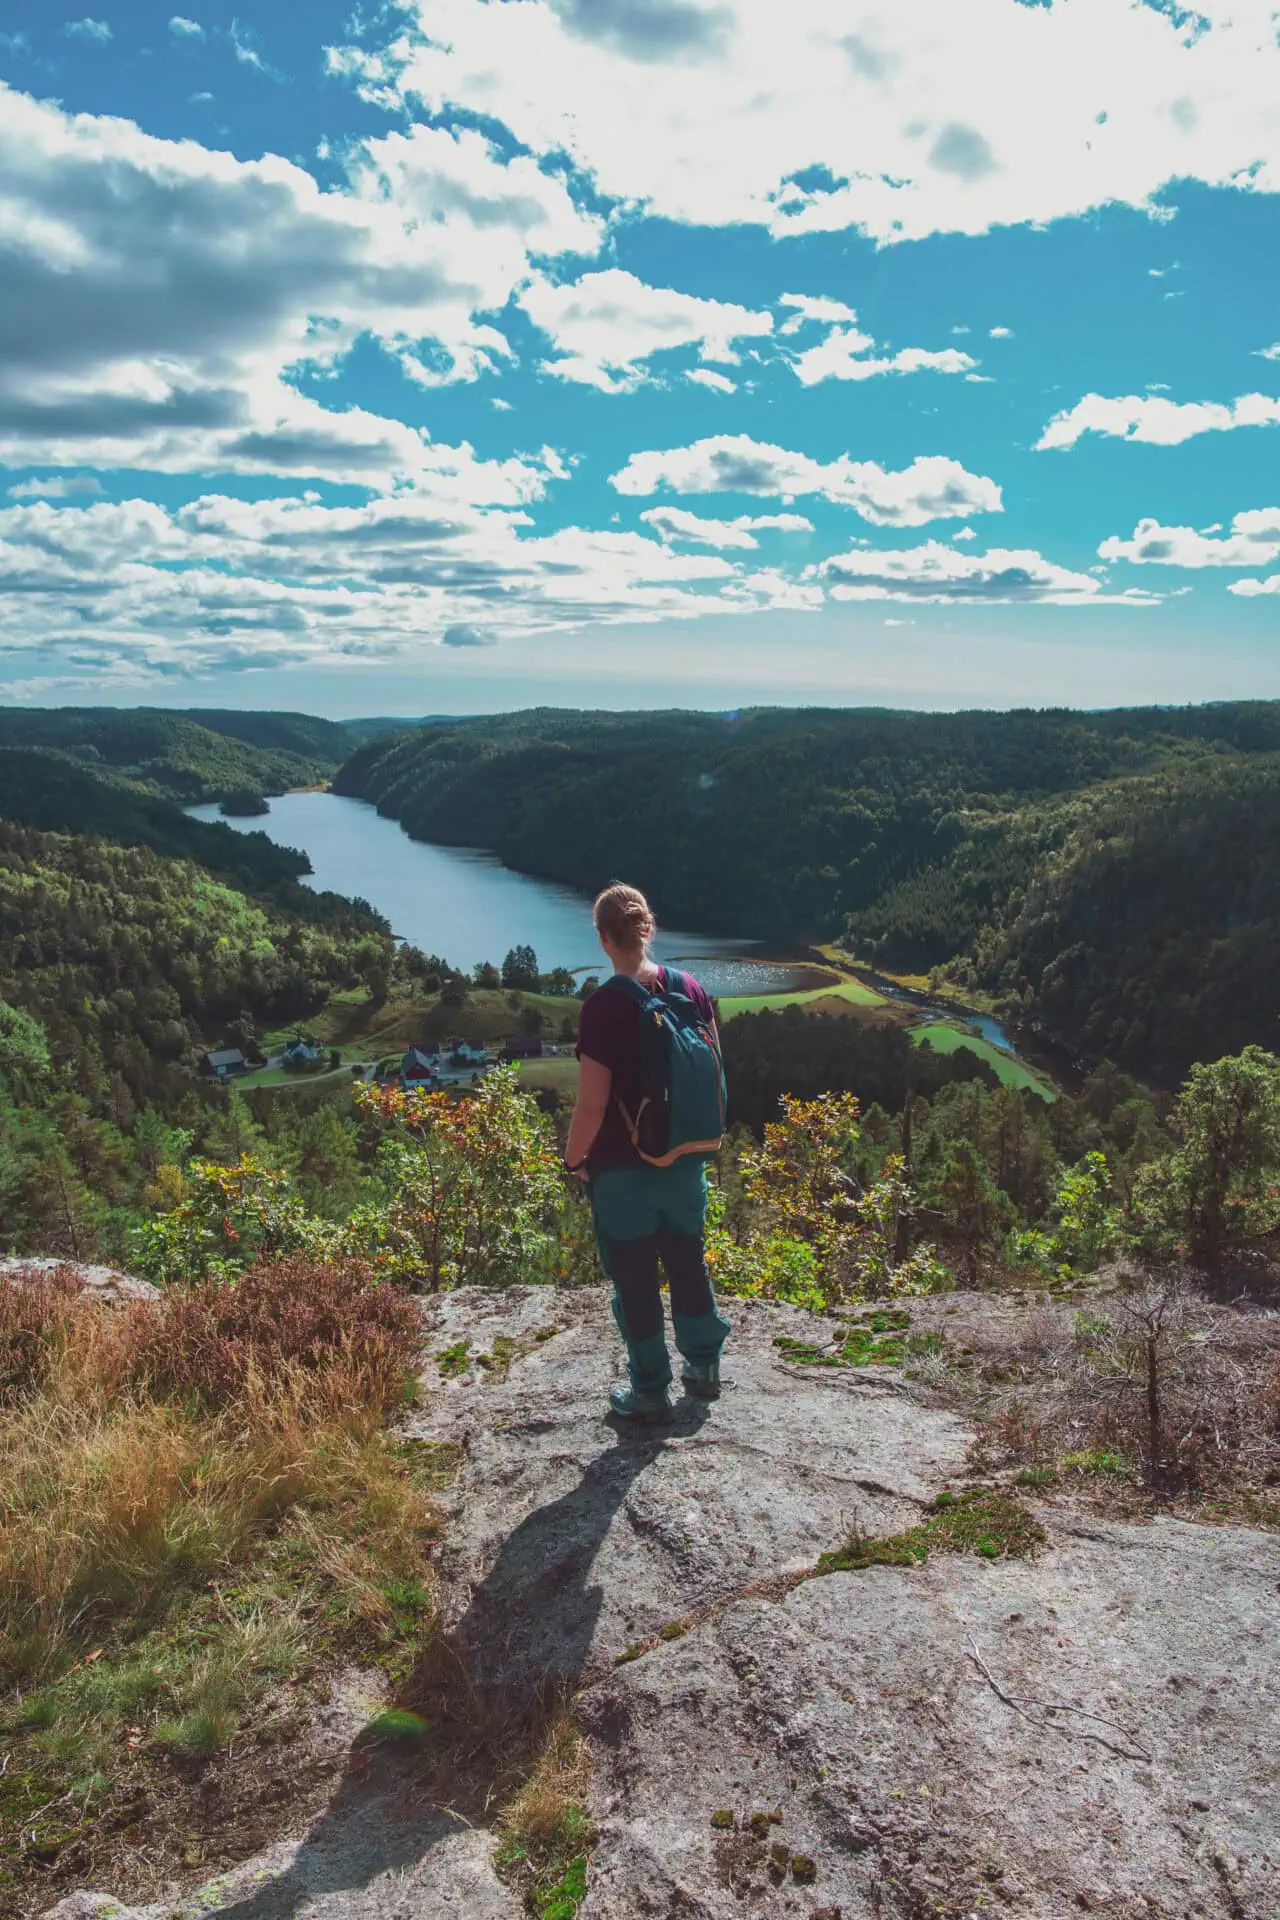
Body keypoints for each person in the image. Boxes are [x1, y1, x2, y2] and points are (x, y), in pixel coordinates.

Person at [565, 882, 731, 1422]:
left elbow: (591, 1106)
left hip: (622, 1171)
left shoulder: (603, 1008)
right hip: (685, 1160)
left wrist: (572, 1160)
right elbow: (713, 1074)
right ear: (647, 927)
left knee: (635, 1278)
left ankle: (650, 1390)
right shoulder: (691, 988)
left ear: (602, 939)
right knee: (688, 1261)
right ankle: (704, 1368)